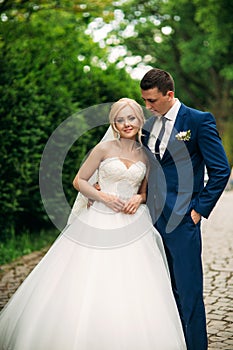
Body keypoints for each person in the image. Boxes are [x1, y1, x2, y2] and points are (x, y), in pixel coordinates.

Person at [0, 98, 187, 350]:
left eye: (131, 118)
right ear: (114, 123)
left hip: (133, 224)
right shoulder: (103, 150)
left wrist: (138, 198)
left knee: (135, 285)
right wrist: (102, 196)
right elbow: (79, 181)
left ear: (139, 120)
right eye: (120, 119)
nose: (126, 123)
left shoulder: (145, 154)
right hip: (100, 217)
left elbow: (144, 191)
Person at [140, 68, 231, 350]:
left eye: (152, 100)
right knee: (162, 290)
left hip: (183, 219)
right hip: (150, 220)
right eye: (144, 100)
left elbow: (221, 169)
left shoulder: (198, 121)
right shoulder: (148, 125)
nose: (147, 106)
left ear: (169, 94)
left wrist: (199, 210)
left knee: (188, 290)